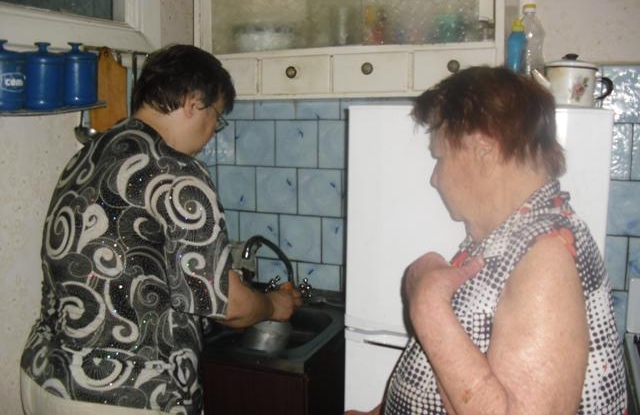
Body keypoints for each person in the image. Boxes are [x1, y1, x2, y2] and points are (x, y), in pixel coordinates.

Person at [20, 44, 302, 415]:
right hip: (124, 391)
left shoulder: (88, 154)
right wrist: (274, 305)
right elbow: (229, 307)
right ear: (193, 102)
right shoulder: (177, 172)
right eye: (217, 117)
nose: (212, 133)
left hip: (45, 376)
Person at [346, 67, 626, 415]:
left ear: (484, 149)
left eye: (440, 157)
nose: (435, 179)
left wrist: (428, 306)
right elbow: (456, 371)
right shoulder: (509, 237)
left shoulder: (546, 257)